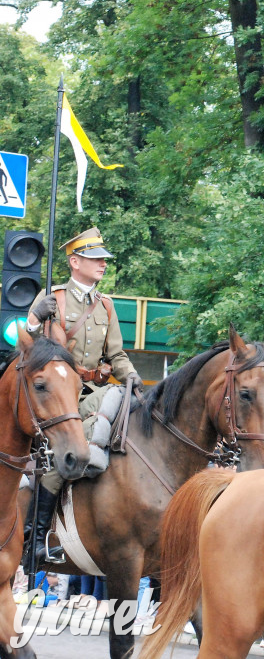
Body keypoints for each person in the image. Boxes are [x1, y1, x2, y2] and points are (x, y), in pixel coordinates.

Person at [24, 227, 142, 563]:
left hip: (97, 390)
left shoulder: (105, 305)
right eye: (95, 259)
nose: (103, 264)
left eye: (103, 259)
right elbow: (29, 344)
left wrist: (133, 378)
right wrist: (35, 319)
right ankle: (36, 539)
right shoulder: (54, 298)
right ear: (75, 262)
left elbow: (116, 355)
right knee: (59, 458)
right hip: (61, 397)